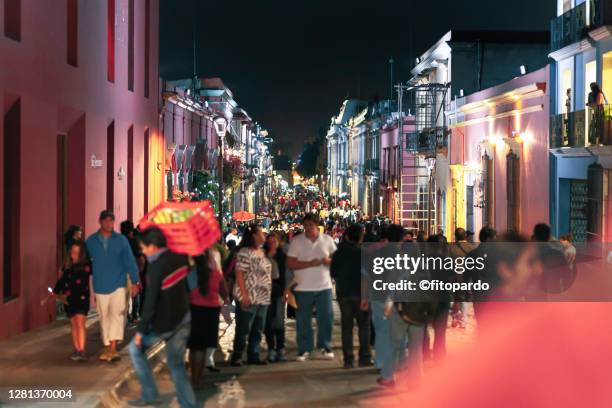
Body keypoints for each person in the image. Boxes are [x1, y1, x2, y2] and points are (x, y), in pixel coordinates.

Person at [128, 227, 195, 408]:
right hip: (183, 319)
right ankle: (188, 404)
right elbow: (192, 284)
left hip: (165, 324)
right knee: (177, 366)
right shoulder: (180, 258)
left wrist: (141, 331)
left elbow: (150, 303)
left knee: (135, 349)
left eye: (143, 247)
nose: (142, 251)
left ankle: (150, 395)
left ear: (153, 246)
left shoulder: (155, 268)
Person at [85, 210, 140, 362]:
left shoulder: (121, 240)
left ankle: (113, 347)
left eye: (111, 220)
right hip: (100, 285)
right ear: (100, 222)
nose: (108, 223)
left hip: (118, 284)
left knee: (116, 315)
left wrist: (135, 282)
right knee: (104, 317)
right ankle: (107, 345)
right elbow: (83, 261)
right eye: (106, 220)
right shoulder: (91, 242)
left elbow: (129, 261)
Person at [286, 213, 337, 361]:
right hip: (303, 287)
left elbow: (336, 259)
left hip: (324, 286)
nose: (307, 228)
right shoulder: (297, 241)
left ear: (317, 225)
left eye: (310, 225)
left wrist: (329, 261)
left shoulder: (327, 240)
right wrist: (309, 263)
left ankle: (325, 346)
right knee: (303, 320)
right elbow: (290, 263)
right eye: (305, 225)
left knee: (326, 318)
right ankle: (304, 349)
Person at [230, 224, 272, 366]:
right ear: (254, 235)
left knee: (258, 329)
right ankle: (237, 355)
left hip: (262, 297)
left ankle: (253, 354)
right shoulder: (244, 252)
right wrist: (244, 294)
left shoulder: (261, 251)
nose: (264, 235)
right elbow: (240, 273)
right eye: (261, 232)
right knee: (244, 328)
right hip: (249, 295)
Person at [331, 224, 372, 369]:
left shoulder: (338, 252)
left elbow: (333, 273)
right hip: (361, 294)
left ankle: (348, 360)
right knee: (364, 327)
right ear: (360, 236)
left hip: (344, 294)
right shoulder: (364, 252)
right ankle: (364, 357)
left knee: (347, 328)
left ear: (347, 236)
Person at [188, 247, 229, 389]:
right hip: (211, 311)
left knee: (194, 348)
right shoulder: (215, 274)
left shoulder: (191, 273)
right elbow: (225, 293)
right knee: (203, 348)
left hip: (194, 310)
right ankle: (197, 380)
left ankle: (193, 379)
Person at [53, 241, 91, 361]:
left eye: (76, 253)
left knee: (80, 323)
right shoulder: (68, 267)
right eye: (72, 252)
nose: (73, 255)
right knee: (73, 324)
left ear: (81, 254)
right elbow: (62, 280)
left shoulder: (86, 266)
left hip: (81, 298)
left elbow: (82, 282)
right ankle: (76, 349)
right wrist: (55, 292)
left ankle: (81, 349)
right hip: (69, 299)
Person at [264, 232, 288, 362]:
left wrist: (285, 291)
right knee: (267, 322)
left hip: (278, 291)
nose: (272, 244)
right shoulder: (262, 255)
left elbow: (285, 275)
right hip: (265, 292)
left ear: (278, 243)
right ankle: (271, 349)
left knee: (279, 320)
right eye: (270, 242)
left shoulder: (282, 256)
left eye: (275, 242)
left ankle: (280, 348)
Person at [449, 227, 476, 329]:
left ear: (455, 237)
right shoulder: (472, 247)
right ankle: (463, 319)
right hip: (467, 276)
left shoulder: (451, 247)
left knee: (455, 297)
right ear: (465, 236)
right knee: (464, 297)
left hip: (454, 276)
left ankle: (456, 317)